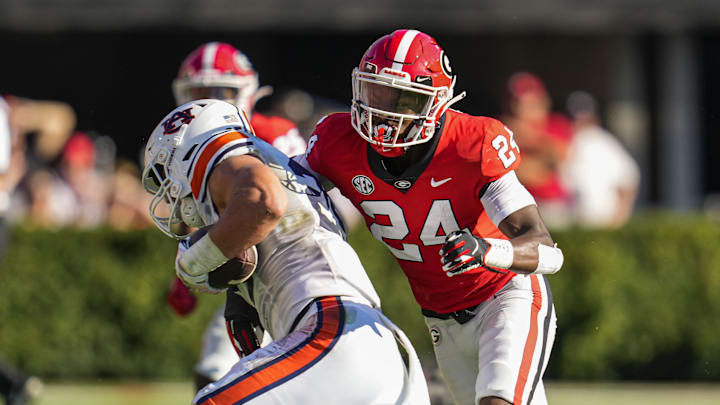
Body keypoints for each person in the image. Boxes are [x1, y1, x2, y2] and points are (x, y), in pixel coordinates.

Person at [296, 29, 563, 405]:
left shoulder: (473, 143)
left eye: (402, 100)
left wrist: (487, 250)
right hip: (440, 318)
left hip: (506, 295)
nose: (384, 113)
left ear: (435, 102)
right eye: (377, 93)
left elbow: (547, 251)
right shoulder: (335, 142)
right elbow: (284, 205)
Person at [141, 99, 430, 405]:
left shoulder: (227, 159)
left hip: (334, 336)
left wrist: (195, 262)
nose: (169, 191)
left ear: (186, 151)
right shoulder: (266, 165)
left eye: (165, 171)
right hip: (372, 351)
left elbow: (263, 201)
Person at [169, 41, 308, 391]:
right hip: (246, 275)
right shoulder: (189, 146)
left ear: (247, 92)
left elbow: (283, 206)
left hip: (289, 266)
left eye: (221, 92)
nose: (209, 103)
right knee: (215, 372)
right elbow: (195, 216)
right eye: (199, 93)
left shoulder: (272, 134)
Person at [502, 72, 574, 229]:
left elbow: (560, 158)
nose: (525, 107)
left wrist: (527, 137)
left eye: (533, 102)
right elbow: (514, 172)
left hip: (552, 204)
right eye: (519, 102)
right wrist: (539, 164)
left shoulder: (556, 124)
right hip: (515, 205)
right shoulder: (501, 127)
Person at [563, 91, 640, 228]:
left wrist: (619, 219)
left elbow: (629, 180)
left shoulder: (602, 141)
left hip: (603, 222)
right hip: (570, 223)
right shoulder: (565, 142)